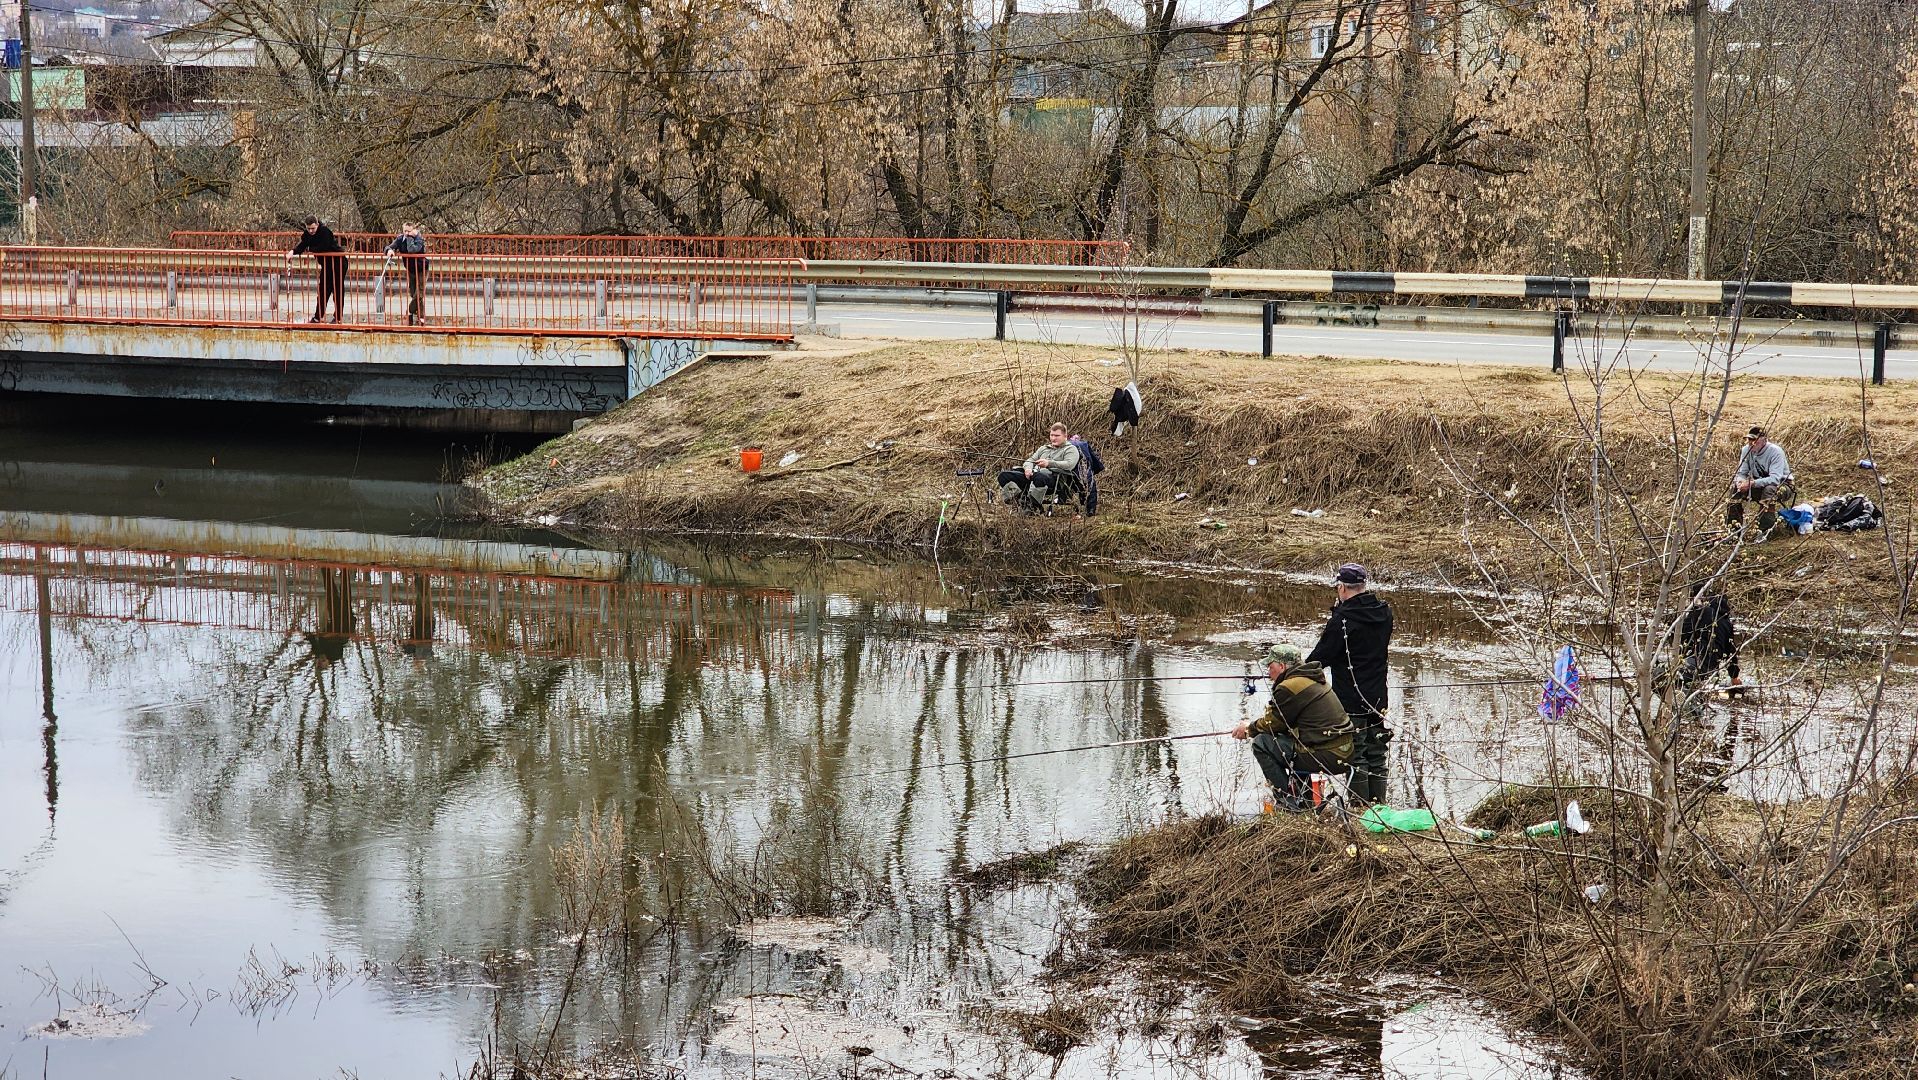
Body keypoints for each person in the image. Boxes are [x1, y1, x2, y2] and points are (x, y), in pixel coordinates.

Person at [1306, 562, 1394, 805]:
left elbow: (1321, 657)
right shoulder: (1385, 614)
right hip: (1377, 697)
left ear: (1342, 587)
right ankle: (1378, 805)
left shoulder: (1342, 620)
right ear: (1363, 586)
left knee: (1356, 754)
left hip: (1350, 698)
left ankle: (1361, 808)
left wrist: (1297, 674)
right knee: (1377, 752)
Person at [1232, 643, 1354, 811]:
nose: (1268, 672)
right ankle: (1305, 804)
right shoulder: (1311, 678)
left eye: (1270, 666)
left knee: (1261, 743)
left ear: (1282, 666)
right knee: (1290, 743)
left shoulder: (1289, 687)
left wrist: (1248, 729)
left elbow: (1272, 724)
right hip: (1343, 752)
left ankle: (1288, 804)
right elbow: (1284, 723)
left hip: (1328, 755)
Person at [1726, 425, 1795, 539]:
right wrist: (1740, 482)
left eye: (1754, 440)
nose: (1751, 443)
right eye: (1749, 439)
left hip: (1783, 485)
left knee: (1769, 490)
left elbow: (1775, 479)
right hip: (1758, 484)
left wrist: (1752, 483)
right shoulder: (1746, 450)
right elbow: (1742, 472)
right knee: (1734, 490)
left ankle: (1765, 531)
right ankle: (1733, 530)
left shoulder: (1775, 452)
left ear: (1764, 440)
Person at [996, 422, 1081, 511]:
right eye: (1051, 435)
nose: (1053, 438)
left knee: (1038, 476)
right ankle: (1022, 500)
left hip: (1055, 480)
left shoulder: (1071, 449)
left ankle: (1034, 507)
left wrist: (1049, 463)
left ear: (1065, 436)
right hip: (1033, 476)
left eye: (1057, 436)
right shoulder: (1044, 448)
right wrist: (1028, 469)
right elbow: (1030, 460)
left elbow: (1069, 465)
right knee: (1004, 476)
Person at [1680, 581, 1740, 690]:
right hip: (1710, 668)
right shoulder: (1726, 622)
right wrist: (1734, 677)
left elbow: (1681, 637)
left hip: (1691, 663)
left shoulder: (1697, 614)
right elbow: (1731, 653)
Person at [288, 215, 348, 323]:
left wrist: (310, 248)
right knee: (323, 290)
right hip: (327, 264)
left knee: (337, 290)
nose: (311, 231)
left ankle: (338, 318)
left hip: (338, 262)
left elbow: (323, 247)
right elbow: (302, 245)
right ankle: (317, 317)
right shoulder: (307, 234)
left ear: (317, 225)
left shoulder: (325, 231)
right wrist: (293, 251)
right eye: (308, 228)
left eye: (313, 228)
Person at [384, 222, 429, 325]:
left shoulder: (419, 239)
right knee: (413, 292)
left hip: (422, 268)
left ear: (413, 230)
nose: (407, 233)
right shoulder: (400, 239)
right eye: (405, 231)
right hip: (410, 268)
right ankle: (419, 316)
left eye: (409, 231)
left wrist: (410, 238)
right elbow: (389, 246)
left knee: (419, 292)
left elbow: (412, 250)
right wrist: (389, 251)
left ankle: (411, 311)